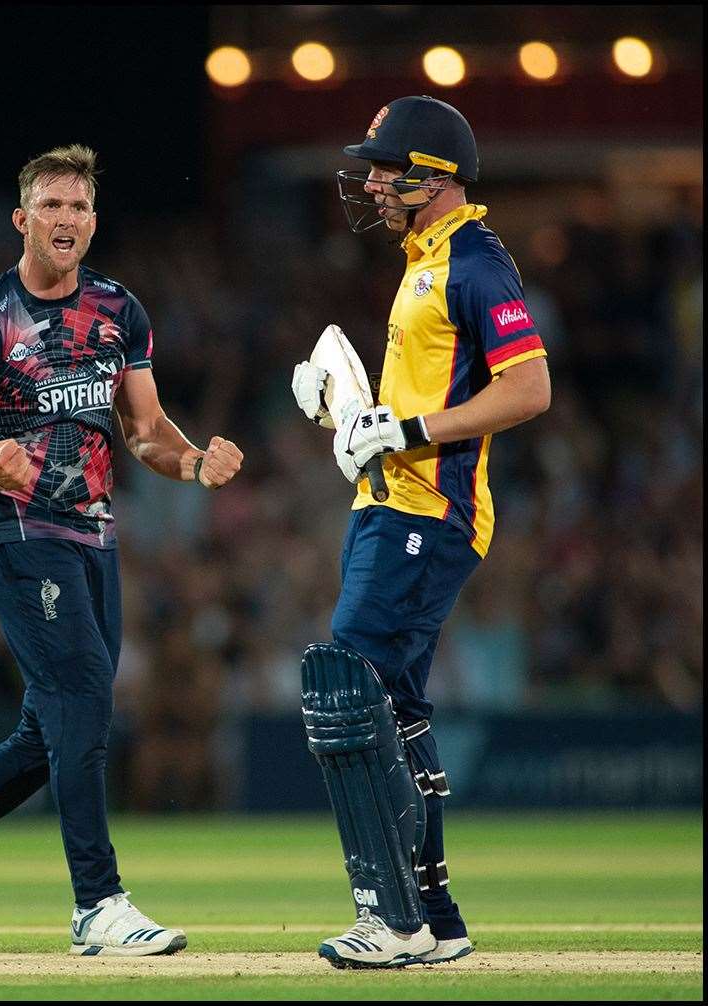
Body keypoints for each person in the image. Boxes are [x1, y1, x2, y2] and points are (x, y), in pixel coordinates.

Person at [0, 144, 243, 957]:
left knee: (56, 727)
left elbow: (144, 430)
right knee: (83, 702)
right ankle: (96, 904)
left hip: (94, 537)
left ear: (93, 221)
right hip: (17, 532)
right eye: (51, 206)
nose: (66, 220)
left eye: (78, 207)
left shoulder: (120, 309)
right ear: (22, 219)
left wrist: (194, 464)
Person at [292, 95, 550, 969]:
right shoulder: (427, 256)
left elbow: (529, 389)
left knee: (349, 689)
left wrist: (405, 433)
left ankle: (391, 918)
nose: (369, 180)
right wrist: (346, 407)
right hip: (394, 504)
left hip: (426, 510)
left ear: (431, 176)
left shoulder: (473, 259)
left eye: (384, 165)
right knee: (394, 709)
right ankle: (434, 918)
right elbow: (428, 391)